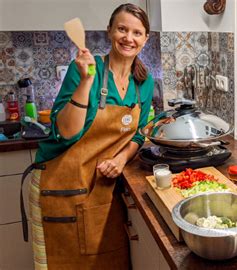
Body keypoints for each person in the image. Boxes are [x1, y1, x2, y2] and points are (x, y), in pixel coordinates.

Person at [20, 3, 153, 269]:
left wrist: (121, 159)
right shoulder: (86, 70)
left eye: (137, 33)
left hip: (100, 190)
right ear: (109, 32)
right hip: (59, 186)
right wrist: (85, 81)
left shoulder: (144, 82)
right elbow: (66, 131)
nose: (129, 38)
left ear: (145, 39)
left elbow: (139, 134)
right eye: (122, 30)